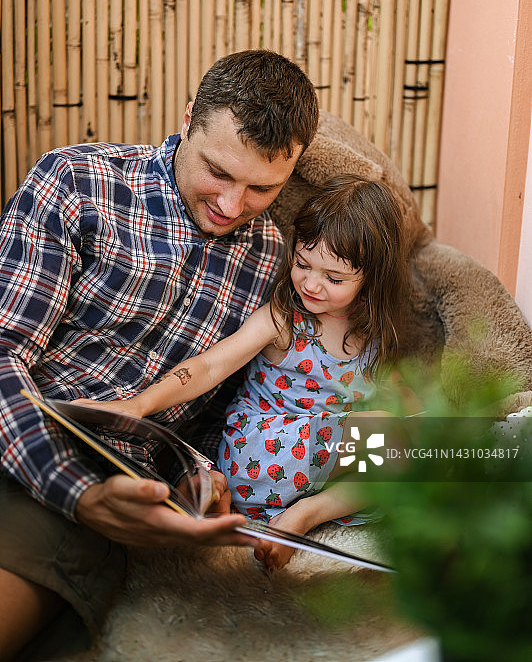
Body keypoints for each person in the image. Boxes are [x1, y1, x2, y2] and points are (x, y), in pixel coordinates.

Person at [0, 49, 319, 660]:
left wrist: (197, 480)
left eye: (263, 189)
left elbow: (214, 413)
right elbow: (3, 350)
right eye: (218, 172)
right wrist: (75, 490)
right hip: (27, 425)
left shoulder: (277, 265)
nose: (231, 206)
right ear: (188, 117)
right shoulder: (77, 184)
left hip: (93, 494)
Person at [82, 175, 417, 570]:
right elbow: (209, 365)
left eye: (333, 278)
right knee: (388, 434)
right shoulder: (283, 320)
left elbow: (410, 405)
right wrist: (138, 406)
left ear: (372, 278)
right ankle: (296, 517)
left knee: (418, 450)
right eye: (302, 264)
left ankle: (305, 514)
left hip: (324, 467)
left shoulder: (375, 338)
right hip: (260, 454)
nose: (311, 284)